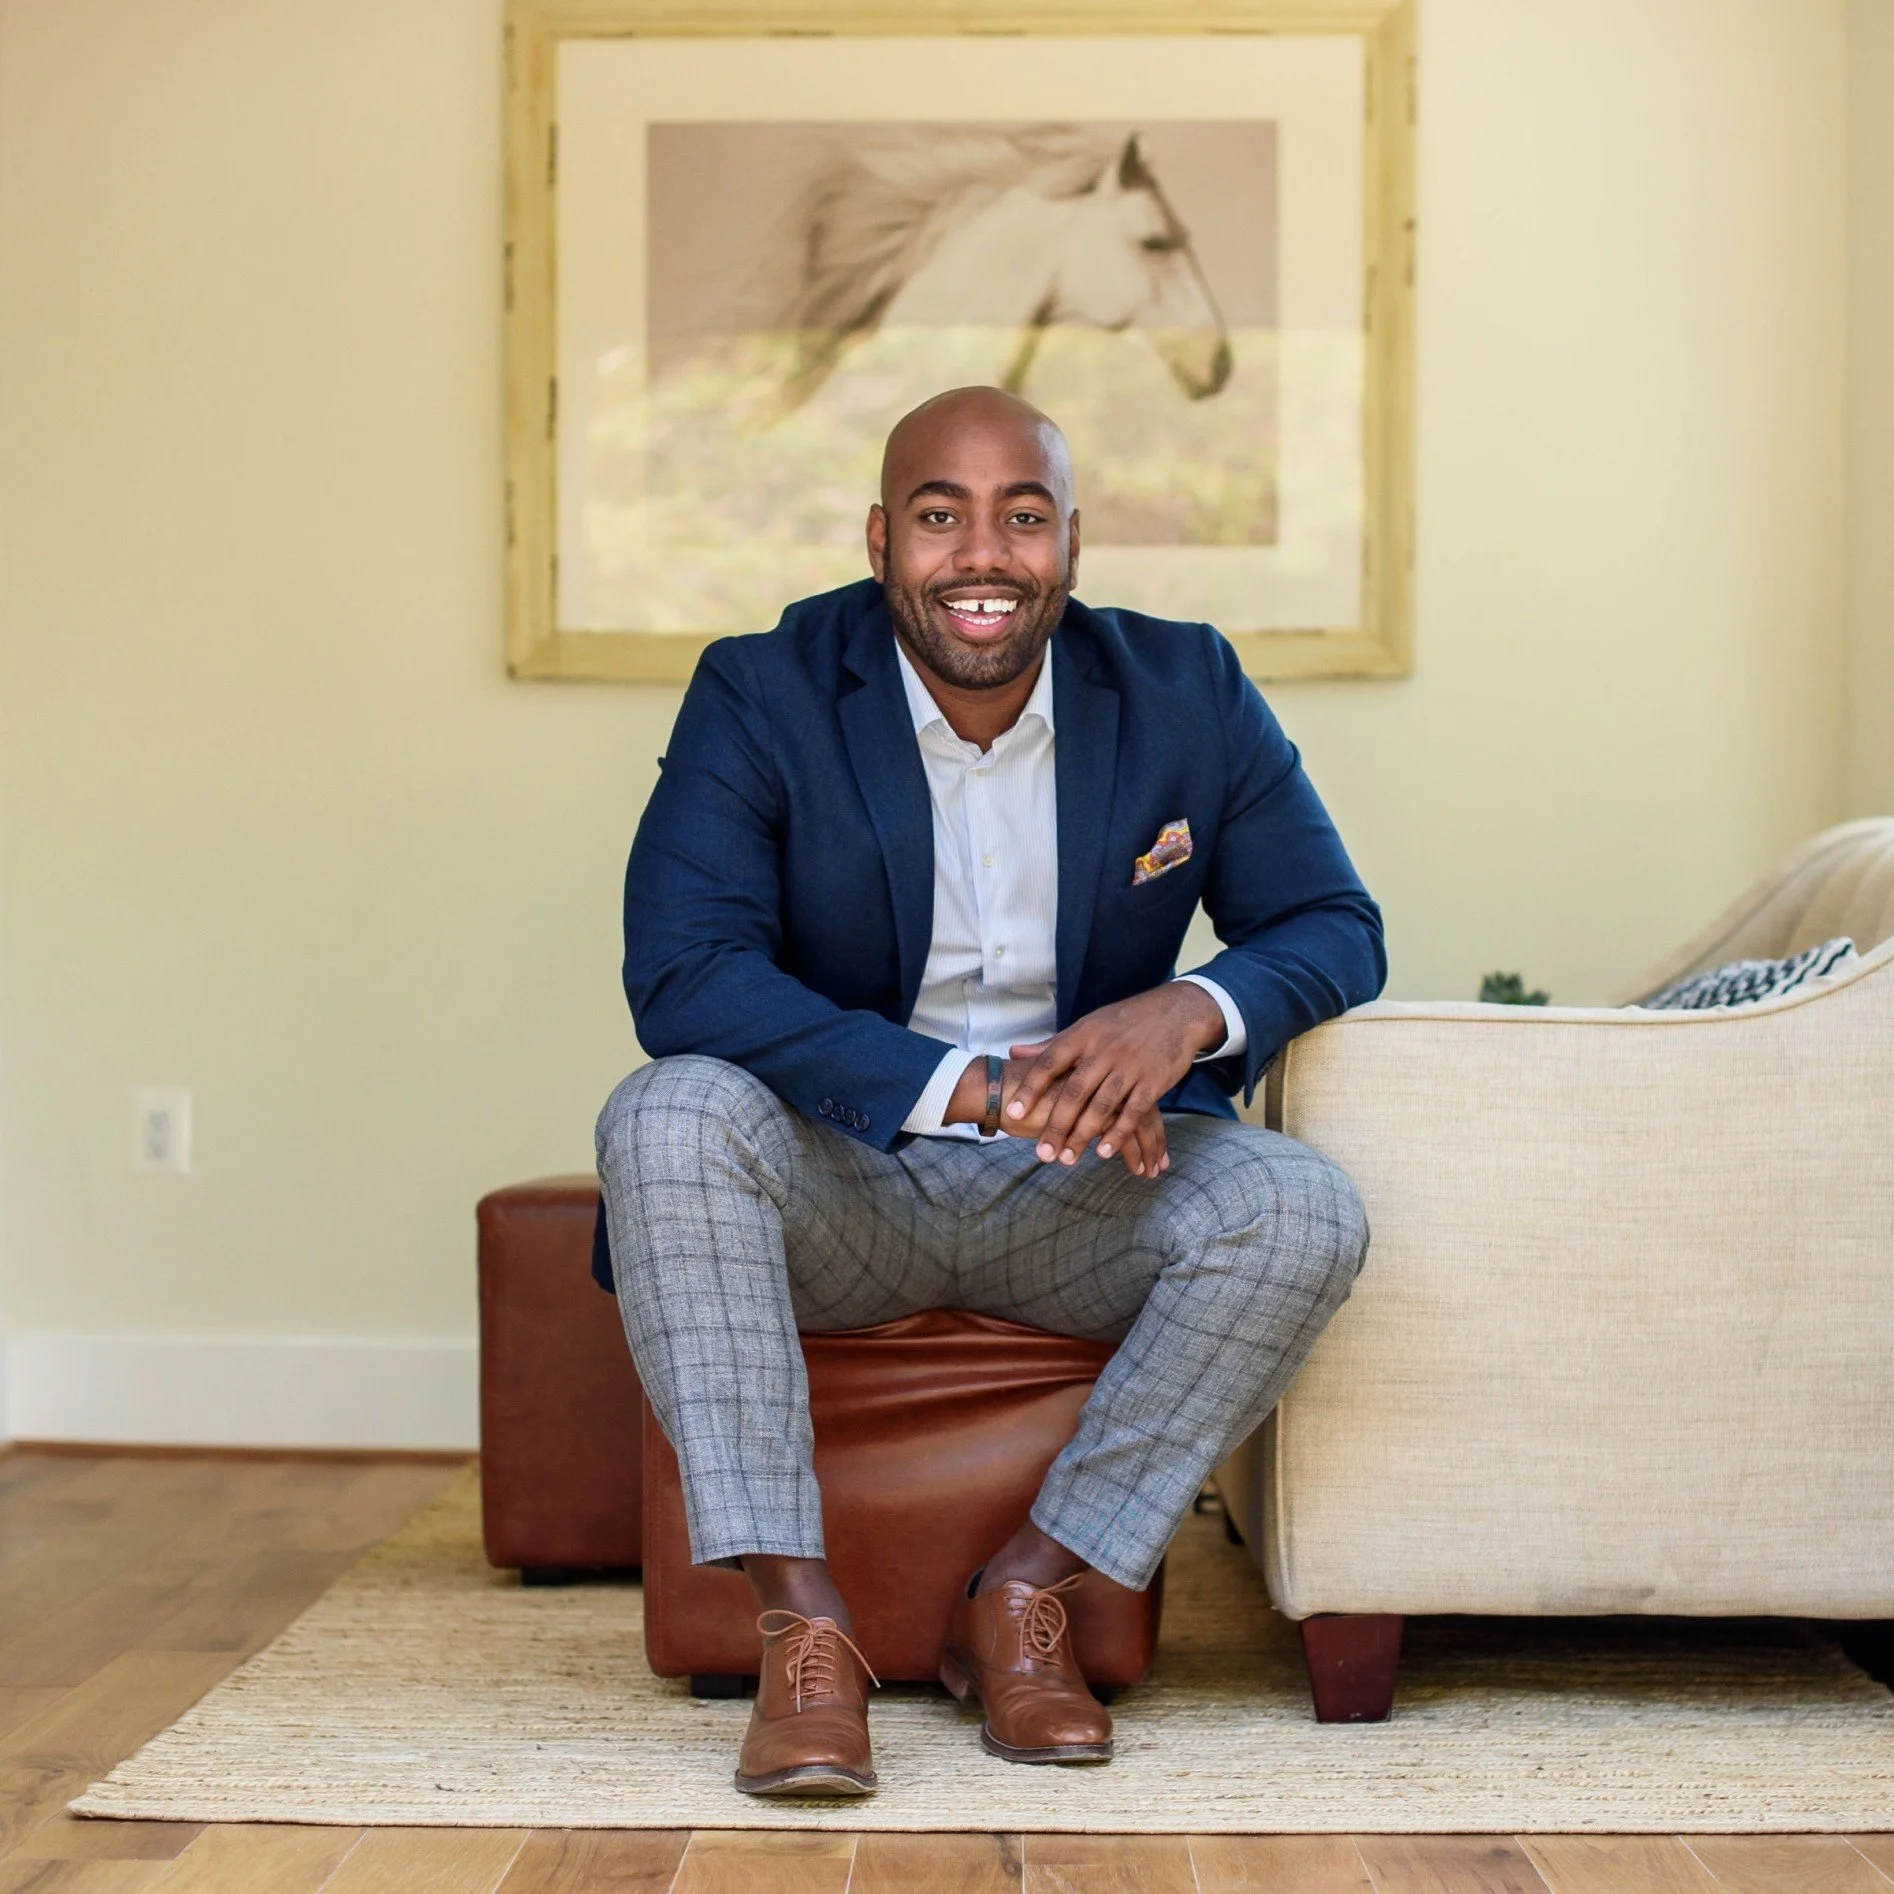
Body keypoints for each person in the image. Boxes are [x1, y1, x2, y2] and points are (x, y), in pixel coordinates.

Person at [595, 385, 1384, 1797]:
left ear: (1070, 547)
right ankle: (801, 1626)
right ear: (879, 537)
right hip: (846, 1182)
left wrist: (1181, 1012)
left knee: (1300, 1207)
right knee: (661, 1113)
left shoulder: (1185, 686)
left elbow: (1334, 923)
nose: (982, 554)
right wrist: (969, 1088)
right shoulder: (761, 687)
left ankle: (1020, 1593)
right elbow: (684, 971)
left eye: (1021, 517)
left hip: (1088, 1187)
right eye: (939, 514)